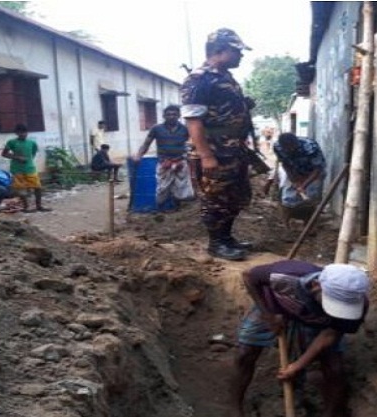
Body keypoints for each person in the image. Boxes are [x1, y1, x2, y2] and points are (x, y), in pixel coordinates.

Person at [229, 261, 370, 417]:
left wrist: (297, 366)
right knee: (244, 354)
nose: (339, 310)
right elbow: (248, 276)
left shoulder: (357, 306)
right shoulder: (286, 276)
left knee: (335, 370)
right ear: (316, 285)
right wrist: (268, 314)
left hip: (317, 323)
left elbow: (330, 334)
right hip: (275, 308)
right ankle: (235, 412)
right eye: (333, 303)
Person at [181, 28, 255, 261]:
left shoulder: (224, 77)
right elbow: (193, 119)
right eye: (237, 51)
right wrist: (206, 156)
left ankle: (227, 237)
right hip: (214, 150)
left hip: (232, 148)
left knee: (235, 195)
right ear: (219, 51)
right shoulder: (200, 78)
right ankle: (217, 243)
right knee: (215, 197)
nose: (241, 56)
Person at [134, 105, 195, 207]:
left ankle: (177, 207)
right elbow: (146, 144)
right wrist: (139, 155)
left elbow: (193, 144)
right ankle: (161, 208)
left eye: (174, 114)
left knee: (182, 188)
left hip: (180, 162)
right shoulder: (156, 129)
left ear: (179, 115)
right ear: (164, 116)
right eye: (168, 114)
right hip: (164, 163)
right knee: (162, 189)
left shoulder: (185, 129)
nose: (171, 116)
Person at [1, 123, 50, 212]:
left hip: (30, 168)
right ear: (16, 133)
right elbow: (4, 154)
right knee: (21, 189)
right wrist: (17, 157)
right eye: (21, 132)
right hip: (17, 169)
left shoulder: (32, 143)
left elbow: (33, 154)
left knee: (38, 187)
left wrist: (28, 161)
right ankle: (26, 207)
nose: (23, 134)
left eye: (25, 132)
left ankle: (39, 206)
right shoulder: (11, 142)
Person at [272, 132, 326, 209]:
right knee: (288, 199)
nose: (290, 150)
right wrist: (294, 180)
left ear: (296, 142)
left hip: (313, 172)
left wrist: (303, 186)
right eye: (287, 149)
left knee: (312, 198)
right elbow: (285, 164)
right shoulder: (278, 147)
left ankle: (310, 215)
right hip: (295, 172)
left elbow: (318, 169)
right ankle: (288, 216)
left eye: (292, 147)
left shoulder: (310, 147)